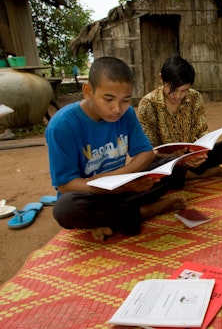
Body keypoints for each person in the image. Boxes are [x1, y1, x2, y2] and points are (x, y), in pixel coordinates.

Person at [46, 56, 187, 242]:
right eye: (108, 99)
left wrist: (122, 179)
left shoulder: (126, 114)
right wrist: (116, 186)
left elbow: (144, 153)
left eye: (125, 100)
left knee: (175, 165)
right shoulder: (63, 125)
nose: (117, 109)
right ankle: (148, 210)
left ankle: (113, 217)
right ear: (88, 91)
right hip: (92, 195)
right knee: (65, 209)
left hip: (124, 188)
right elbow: (65, 185)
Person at [137, 54, 222, 179]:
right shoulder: (148, 104)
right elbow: (149, 150)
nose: (178, 96)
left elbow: (202, 131)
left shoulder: (195, 97)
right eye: (173, 90)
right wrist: (175, 157)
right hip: (166, 161)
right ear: (161, 79)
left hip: (192, 155)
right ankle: (200, 174)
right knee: (150, 168)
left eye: (184, 90)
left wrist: (202, 153)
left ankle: (188, 174)